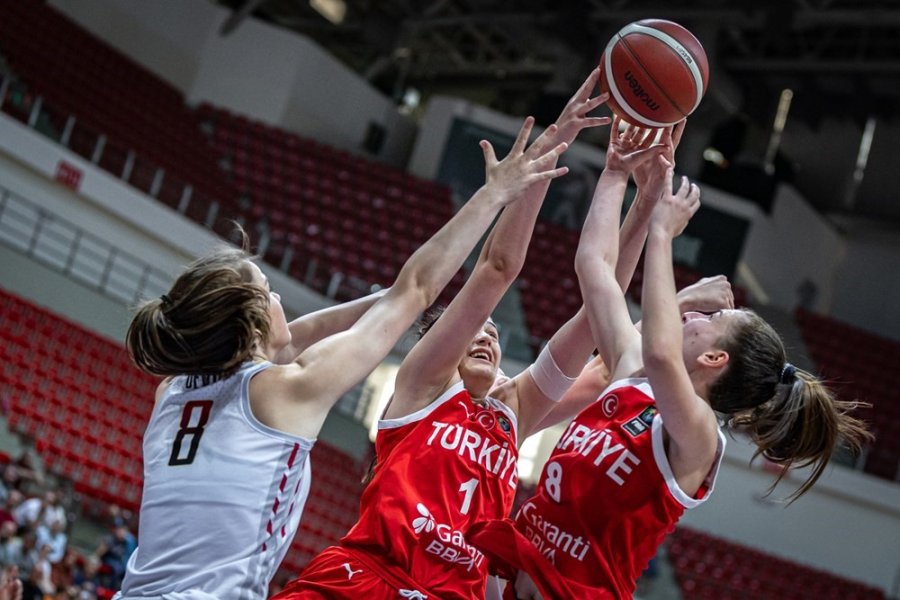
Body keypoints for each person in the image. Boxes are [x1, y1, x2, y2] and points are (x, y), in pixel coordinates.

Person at [113, 112, 570, 600]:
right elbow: (414, 288)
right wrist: (493, 196)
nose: (281, 298)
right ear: (251, 325)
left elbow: (293, 339)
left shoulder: (174, 390)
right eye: (270, 291)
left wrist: (389, 299)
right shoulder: (290, 390)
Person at [272, 68, 653, 600]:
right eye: (479, 326)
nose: (486, 335)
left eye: (496, 334)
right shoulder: (425, 385)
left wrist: (641, 201)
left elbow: (598, 310)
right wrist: (553, 147)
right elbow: (496, 269)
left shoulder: (513, 411)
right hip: (368, 581)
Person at [468, 117, 873, 599]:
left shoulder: (699, 437)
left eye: (712, 318)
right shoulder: (630, 375)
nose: (694, 316)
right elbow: (594, 268)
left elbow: (662, 356)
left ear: (715, 357)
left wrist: (662, 234)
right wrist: (615, 172)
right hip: (505, 581)